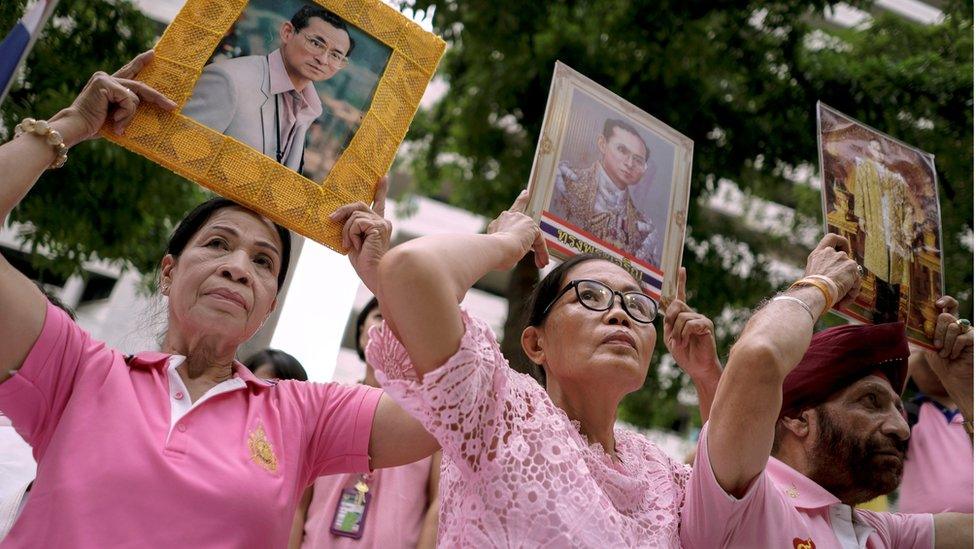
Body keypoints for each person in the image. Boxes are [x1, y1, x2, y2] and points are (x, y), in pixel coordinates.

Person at [0, 52, 437, 547]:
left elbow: (448, 411)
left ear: (269, 305)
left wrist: (385, 277)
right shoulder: (76, 371)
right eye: (217, 244)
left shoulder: (305, 414)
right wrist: (68, 126)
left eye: (264, 262)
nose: (237, 267)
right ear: (169, 271)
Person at [366, 190, 722, 546]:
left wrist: (707, 377)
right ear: (537, 344)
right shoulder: (501, 414)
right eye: (590, 296)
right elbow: (410, 269)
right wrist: (505, 243)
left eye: (636, 305)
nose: (620, 314)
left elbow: (737, 501)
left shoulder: (660, 471)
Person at [682, 234, 973, 548]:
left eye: (898, 408)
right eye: (870, 401)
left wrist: (967, 389)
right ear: (798, 418)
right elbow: (758, 354)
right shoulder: (741, 501)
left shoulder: (883, 533)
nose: (902, 428)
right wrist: (820, 284)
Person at [293, 298, 441, 549]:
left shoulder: (431, 419)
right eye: (380, 318)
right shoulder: (326, 406)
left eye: (403, 323)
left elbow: (437, 506)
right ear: (361, 330)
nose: (390, 329)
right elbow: (297, 503)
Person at [183, 5, 354, 172]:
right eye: (316, 43)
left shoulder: (310, 109)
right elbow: (178, 152)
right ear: (287, 32)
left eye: (335, 55)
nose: (323, 60)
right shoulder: (229, 79)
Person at [550, 118, 660, 265]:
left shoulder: (644, 229)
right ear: (602, 144)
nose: (629, 164)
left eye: (638, 160)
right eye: (622, 150)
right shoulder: (564, 182)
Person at [898, 322, 974, 514]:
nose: (936, 366)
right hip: (923, 537)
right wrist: (912, 353)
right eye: (927, 363)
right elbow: (877, 410)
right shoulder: (910, 413)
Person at [849, 139, 913, 323]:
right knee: (879, 267)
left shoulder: (895, 176)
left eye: (882, 151)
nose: (880, 154)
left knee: (894, 270)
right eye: (876, 150)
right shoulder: (865, 169)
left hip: (894, 228)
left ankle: (892, 310)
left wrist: (906, 231)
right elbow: (860, 192)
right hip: (876, 222)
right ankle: (879, 308)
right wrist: (861, 216)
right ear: (870, 151)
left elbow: (907, 206)